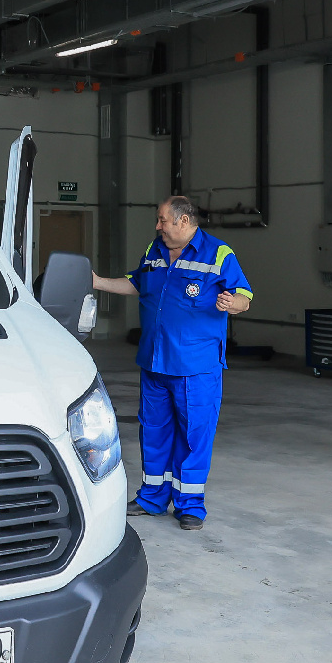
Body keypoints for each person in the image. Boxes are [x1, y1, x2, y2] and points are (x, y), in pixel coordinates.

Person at [91, 196, 252, 531]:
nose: (158, 226)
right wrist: (98, 282)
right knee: (153, 431)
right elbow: (137, 282)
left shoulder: (218, 253)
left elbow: (244, 297)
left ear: (184, 221)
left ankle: (190, 505)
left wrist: (232, 303)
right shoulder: (155, 250)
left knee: (194, 435)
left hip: (195, 366)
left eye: (163, 220)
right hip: (155, 361)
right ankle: (152, 497)